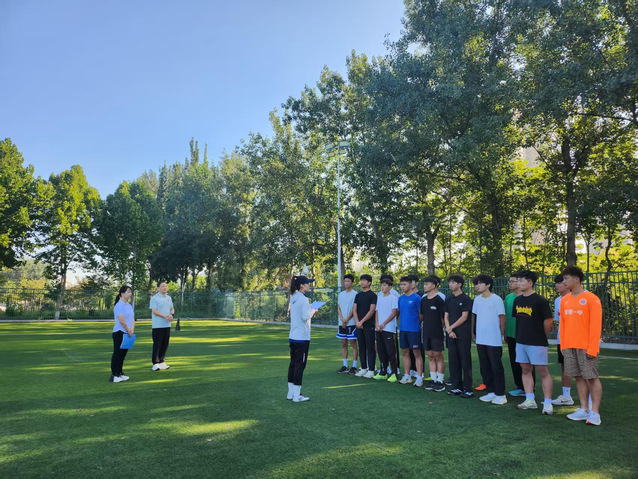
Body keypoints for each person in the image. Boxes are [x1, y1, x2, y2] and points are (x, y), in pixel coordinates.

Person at [560, 266, 603, 426]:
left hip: (586, 346)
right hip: (569, 346)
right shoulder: (565, 300)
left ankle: (595, 412)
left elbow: (596, 326)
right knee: (578, 377)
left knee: (592, 377)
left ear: (576, 279)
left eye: (566, 278)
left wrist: (593, 348)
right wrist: (563, 345)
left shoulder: (592, 299)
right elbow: (563, 325)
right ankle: (584, 409)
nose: (563, 282)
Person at [513, 270, 554, 415]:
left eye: (521, 281)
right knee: (525, 369)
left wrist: (540, 334)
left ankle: (548, 403)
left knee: (543, 371)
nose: (518, 283)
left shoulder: (540, 301)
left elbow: (548, 320)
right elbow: (518, 320)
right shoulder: (517, 300)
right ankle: (530, 400)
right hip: (521, 341)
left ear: (530, 283)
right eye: (517, 281)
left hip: (537, 342)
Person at [472, 274, 507, 405]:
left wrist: (501, 334)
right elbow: (475, 317)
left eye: (480, 283)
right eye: (476, 284)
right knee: (484, 366)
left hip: (494, 339)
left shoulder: (497, 299)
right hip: (481, 338)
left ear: (488, 285)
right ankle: (491, 391)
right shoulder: (477, 300)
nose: (477, 286)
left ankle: (500, 394)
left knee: (496, 366)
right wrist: (473, 333)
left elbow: (502, 317)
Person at [287, 275, 319, 402]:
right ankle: (297, 395)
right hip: (302, 337)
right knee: (300, 365)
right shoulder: (304, 299)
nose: (309, 285)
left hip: (293, 336)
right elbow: (305, 317)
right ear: (301, 285)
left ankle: (291, 393)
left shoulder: (294, 297)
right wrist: (313, 311)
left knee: (293, 364)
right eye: (307, 283)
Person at [445, 275, 474, 398]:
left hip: (463, 334)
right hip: (451, 335)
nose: (450, 284)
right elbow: (446, 315)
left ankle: (468, 389)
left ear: (460, 284)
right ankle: (456, 386)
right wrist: (449, 330)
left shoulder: (466, 299)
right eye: (450, 282)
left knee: (465, 361)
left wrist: (451, 328)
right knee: (453, 361)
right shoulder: (448, 298)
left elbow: (464, 317)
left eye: (453, 282)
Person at [420, 275, 446, 392]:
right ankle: (433, 380)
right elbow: (422, 315)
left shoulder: (439, 300)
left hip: (437, 333)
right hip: (426, 332)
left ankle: (440, 381)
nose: (424, 286)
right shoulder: (423, 300)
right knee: (430, 356)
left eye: (427, 284)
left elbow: (443, 318)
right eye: (424, 284)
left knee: (438, 356)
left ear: (434, 286)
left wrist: (438, 328)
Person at [552, 274, 574, 406]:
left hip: (576, 340)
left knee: (581, 370)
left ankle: (589, 402)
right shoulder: (557, 300)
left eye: (559, 282)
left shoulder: (576, 298)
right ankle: (566, 395)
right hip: (562, 340)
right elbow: (559, 320)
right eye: (556, 283)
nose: (557, 285)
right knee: (564, 366)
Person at [398, 276, 424, 386]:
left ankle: (419, 377)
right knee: (405, 352)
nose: (402, 287)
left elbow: (421, 314)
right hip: (403, 329)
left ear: (410, 285)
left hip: (414, 330)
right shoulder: (400, 298)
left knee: (417, 353)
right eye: (401, 284)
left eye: (404, 284)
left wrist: (416, 323)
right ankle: (407, 375)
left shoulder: (417, 298)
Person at [504, 272, 526, 397]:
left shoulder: (526, 297)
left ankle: (528, 387)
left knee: (526, 363)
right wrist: (505, 332)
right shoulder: (508, 298)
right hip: (510, 334)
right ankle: (519, 386)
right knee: (514, 361)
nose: (509, 283)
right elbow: (505, 316)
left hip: (523, 335)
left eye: (512, 281)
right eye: (509, 281)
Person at [374, 277, 399, 382]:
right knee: (381, 351)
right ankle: (383, 372)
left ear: (390, 287)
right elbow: (377, 312)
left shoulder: (393, 298)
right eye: (382, 285)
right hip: (379, 328)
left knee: (391, 351)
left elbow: (393, 313)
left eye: (385, 285)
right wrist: (377, 324)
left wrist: (384, 323)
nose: (382, 287)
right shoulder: (379, 297)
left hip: (388, 328)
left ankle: (394, 373)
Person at [353, 274, 377, 378]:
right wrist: (357, 322)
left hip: (368, 325)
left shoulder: (372, 295)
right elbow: (354, 309)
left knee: (370, 347)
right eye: (361, 280)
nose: (362, 282)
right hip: (359, 325)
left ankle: (371, 370)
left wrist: (362, 322)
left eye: (364, 280)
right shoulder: (358, 295)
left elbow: (372, 310)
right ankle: (363, 368)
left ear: (369, 282)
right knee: (361, 346)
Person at [110, 285, 134, 383]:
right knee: (117, 354)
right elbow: (121, 320)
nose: (130, 294)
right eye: (128, 292)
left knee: (123, 354)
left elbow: (132, 318)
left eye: (130, 292)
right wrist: (128, 329)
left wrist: (131, 329)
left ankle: (120, 372)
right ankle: (114, 374)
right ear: (122, 294)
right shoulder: (119, 305)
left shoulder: (129, 305)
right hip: (119, 332)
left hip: (128, 333)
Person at [336, 274, 359, 375]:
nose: (346, 283)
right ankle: (345, 365)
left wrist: (346, 320)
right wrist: (342, 319)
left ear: (352, 283)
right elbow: (339, 308)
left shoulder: (355, 294)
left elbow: (354, 309)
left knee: (353, 343)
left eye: (348, 281)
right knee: (343, 343)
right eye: (345, 281)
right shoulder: (341, 294)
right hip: (341, 323)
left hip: (351, 323)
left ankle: (354, 366)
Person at [150, 281, 175, 371]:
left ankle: (161, 361)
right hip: (158, 325)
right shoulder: (154, 298)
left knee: (165, 343)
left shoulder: (169, 298)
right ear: (158, 288)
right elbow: (154, 311)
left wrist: (171, 315)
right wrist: (165, 316)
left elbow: (172, 308)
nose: (165, 288)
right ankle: (155, 363)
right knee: (157, 344)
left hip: (167, 325)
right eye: (163, 286)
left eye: (166, 286)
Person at [408, 274, 425, 379]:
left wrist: (418, 322)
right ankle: (412, 369)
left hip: (418, 326)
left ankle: (420, 371)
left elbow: (421, 313)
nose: (409, 284)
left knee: (419, 349)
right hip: (408, 327)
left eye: (412, 282)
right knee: (409, 349)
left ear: (417, 283)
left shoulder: (421, 295)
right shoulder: (406, 296)